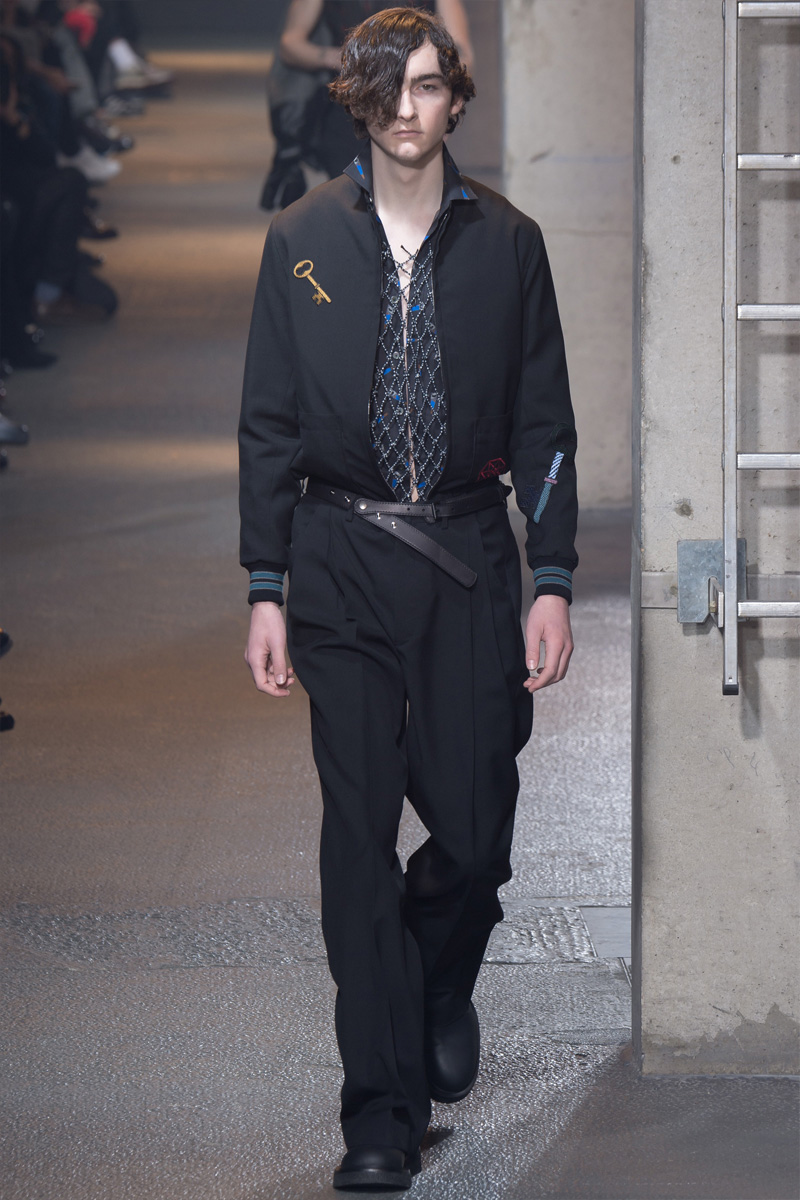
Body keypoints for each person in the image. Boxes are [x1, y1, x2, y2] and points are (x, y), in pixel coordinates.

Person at [239, 7, 577, 1191]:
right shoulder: (299, 240)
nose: (404, 108)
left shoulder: (508, 242)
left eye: (425, 85)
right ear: (356, 101)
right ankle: (379, 1115)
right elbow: (268, 421)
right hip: (337, 555)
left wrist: (550, 575)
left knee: (475, 838)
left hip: (468, 557)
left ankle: (434, 981)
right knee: (356, 840)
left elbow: (543, 425)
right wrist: (266, 583)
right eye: (383, 88)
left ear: (454, 99)